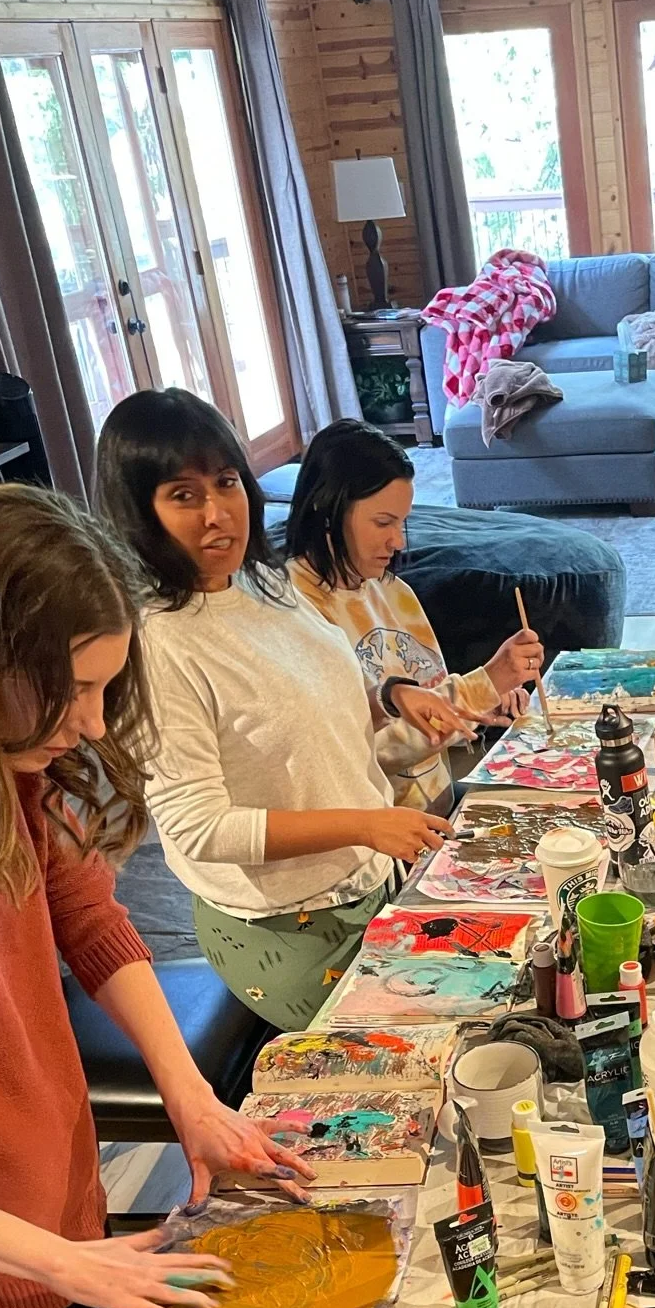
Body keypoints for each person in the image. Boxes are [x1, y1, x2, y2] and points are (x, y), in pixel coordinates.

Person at [0, 487, 304, 1308]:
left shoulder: (4, 761)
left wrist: (190, 1096)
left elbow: (87, 917)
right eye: (72, 689)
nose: (91, 722)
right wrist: (62, 1261)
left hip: (54, 1208)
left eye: (104, 688)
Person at [97, 390, 453, 1030]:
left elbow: (309, 695)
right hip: (288, 926)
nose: (218, 514)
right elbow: (201, 828)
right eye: (183, 495)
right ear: (138, 511)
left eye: (227, 482)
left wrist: (391, 696)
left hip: (367, 880)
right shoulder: (158, 643)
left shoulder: (260, 580)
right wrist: (364, 825)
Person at [285, 420, 545, 814]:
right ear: (327, 509)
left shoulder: (390, 589)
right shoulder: (295, 609)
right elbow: (359, 753)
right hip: (380, 831)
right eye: (383, 522)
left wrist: (482, 707)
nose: (398, 541)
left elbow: (428, 699)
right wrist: (485, 683)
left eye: (402, 521)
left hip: (437, 809)